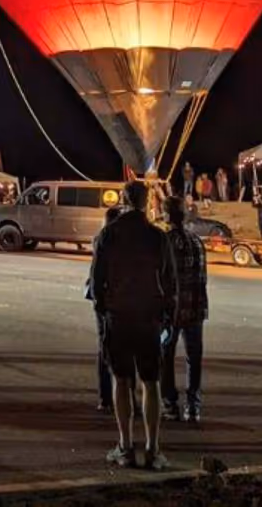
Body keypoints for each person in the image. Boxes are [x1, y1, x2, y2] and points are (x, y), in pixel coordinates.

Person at [89, 180, 175, 470]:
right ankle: (153, 449)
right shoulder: (157, 237)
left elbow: (96, 279)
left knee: (121, 380)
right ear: (147, 201)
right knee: (151, 383)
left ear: (124, 199)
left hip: (118, 315)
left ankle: (125, 446)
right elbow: (169, 281)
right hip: (148, 317)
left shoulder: (108, 234)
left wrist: (105, 309)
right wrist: (165, 316)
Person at [161, 194, 208, 424]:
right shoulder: (197, 242)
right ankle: (193, 407)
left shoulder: (165, 242)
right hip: (196, 309)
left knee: (165, 357)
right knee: (194, 358)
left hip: (172, 311)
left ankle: (170, 405)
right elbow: (202, 279)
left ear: (167, 215)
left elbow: (162, 279)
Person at [84, 204, 124, 411]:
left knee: (105, 347)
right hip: (113, 299)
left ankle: (106, 397)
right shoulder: (113, 240)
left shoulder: (101, 238)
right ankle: (114, 396)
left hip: (104, 299)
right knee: (118, 348)